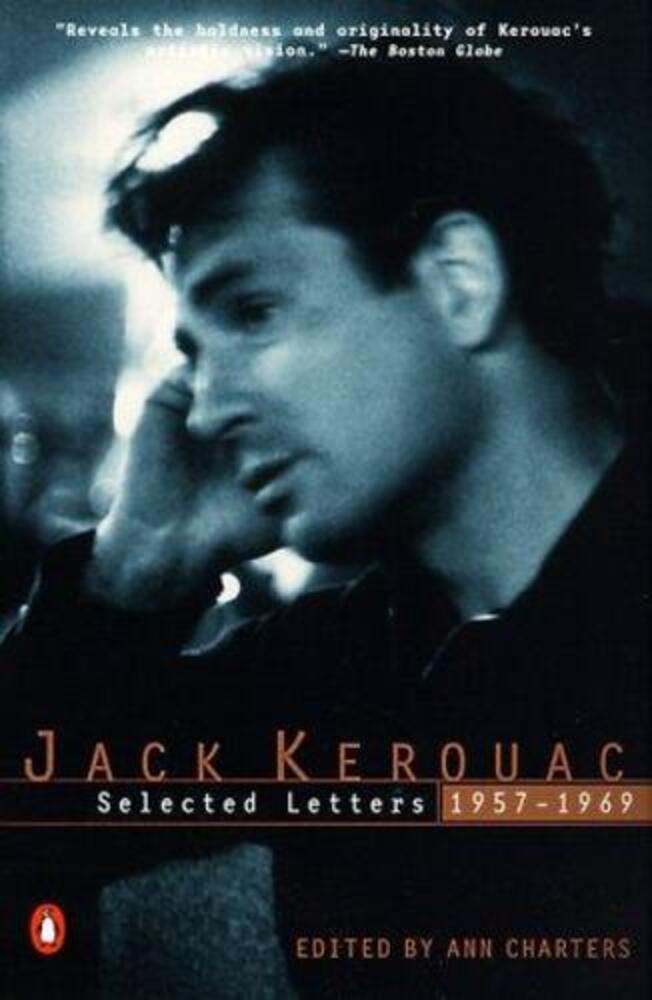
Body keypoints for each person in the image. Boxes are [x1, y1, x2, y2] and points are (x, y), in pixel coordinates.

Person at [1, 52, 648, 999]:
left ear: (459, 281)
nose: (205, 409)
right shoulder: (347, 676)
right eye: (194, 354)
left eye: (253, 311)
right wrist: (134, 570)